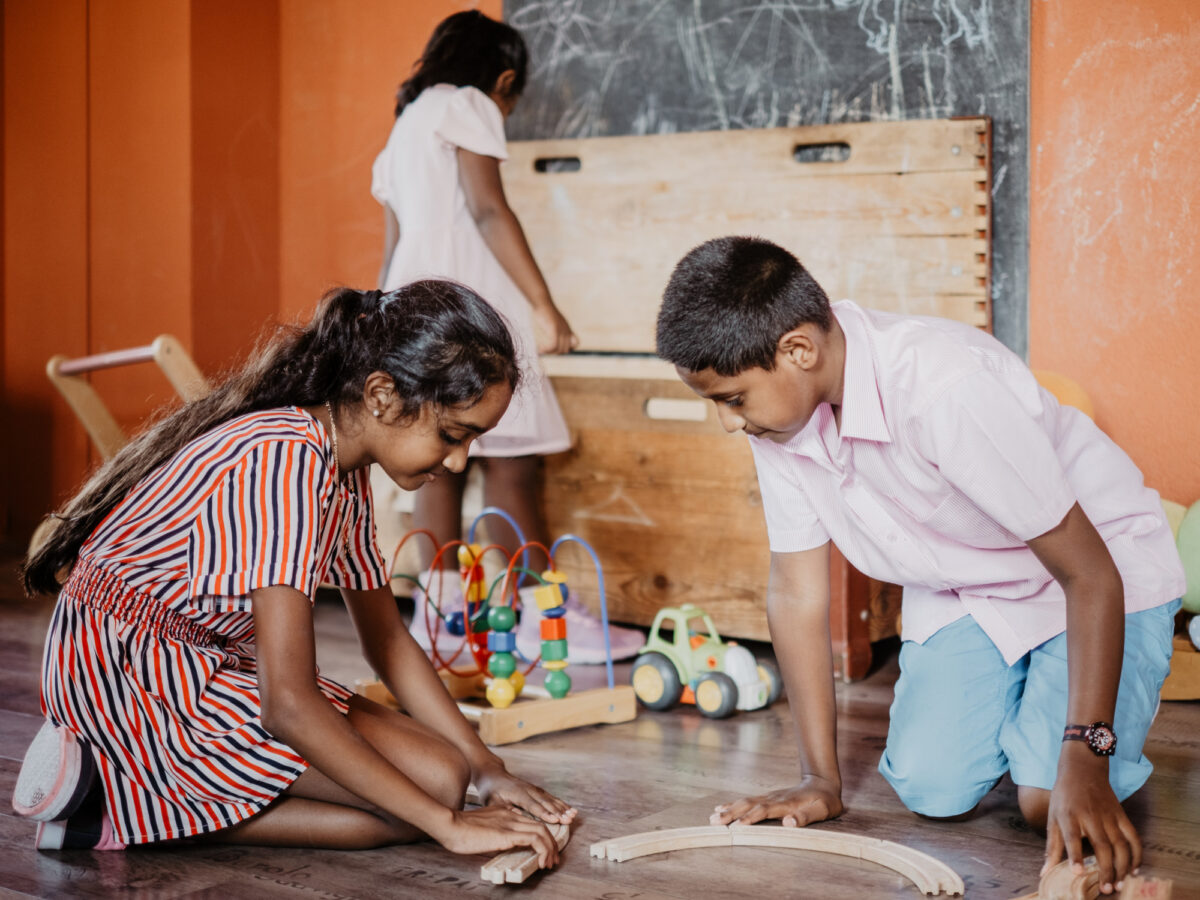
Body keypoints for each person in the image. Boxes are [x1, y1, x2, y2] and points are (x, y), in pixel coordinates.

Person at [655, 236, 1183, 896]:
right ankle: (1029, 715)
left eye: (731, 400)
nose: (729, 425)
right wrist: (821, 780)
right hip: (970, 585)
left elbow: (1092, 574)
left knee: (1048, 798)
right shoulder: (781, 418)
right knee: (933, 789)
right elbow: (796, 592)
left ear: (798, 350)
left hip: (1095, 574)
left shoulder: (943, 387)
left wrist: (1085, 747)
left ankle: (1061, 732)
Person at [12, 282, 575, 866]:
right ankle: (113, 804)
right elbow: (285, 705)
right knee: (431, 796)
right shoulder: (283, 461)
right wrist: (450, 827)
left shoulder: (344, 467)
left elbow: (385, 638)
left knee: (444, 777)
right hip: (127, 677)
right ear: (382, 395)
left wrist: (486, 768)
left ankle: (133, 804)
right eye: (453, 436)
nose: (459, 462)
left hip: (206, 660)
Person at [369, 10, 643, 664]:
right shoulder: (470, 104)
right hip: (473, 305)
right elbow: (490, 211)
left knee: (435, 460)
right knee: (514, 465)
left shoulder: (402, 131)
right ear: (504, 78)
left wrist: (380, 324)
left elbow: (392, 247)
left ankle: (438, 620)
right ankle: (538, 616)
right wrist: (546, 309)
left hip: (413, 309)